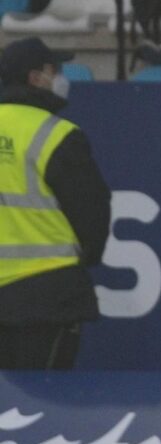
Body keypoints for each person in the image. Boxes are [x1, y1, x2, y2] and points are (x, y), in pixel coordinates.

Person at [0, 37, 110, 369]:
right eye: (54, 70)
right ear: (35, 78)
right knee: (41, 406)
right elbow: (92, 211)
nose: (60, 77)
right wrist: (85, 257)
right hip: (46, 295)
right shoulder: (55, 134)